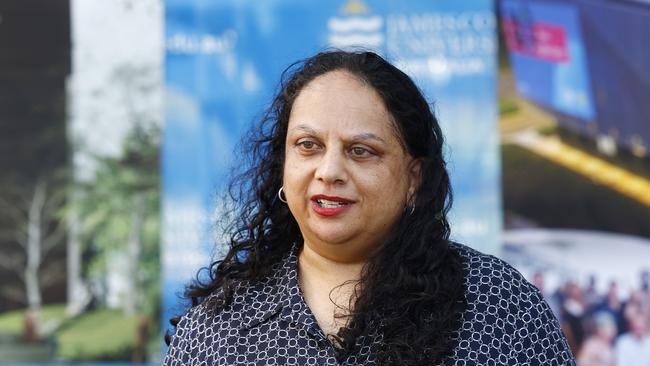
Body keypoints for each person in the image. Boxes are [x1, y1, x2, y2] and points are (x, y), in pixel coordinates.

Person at [163, 50, 575, 365]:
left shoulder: (498, 304)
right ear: (282, 167)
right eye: (308, 146)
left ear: (414, 178)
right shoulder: (214, 333)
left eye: (361, 151)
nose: (329, 171)